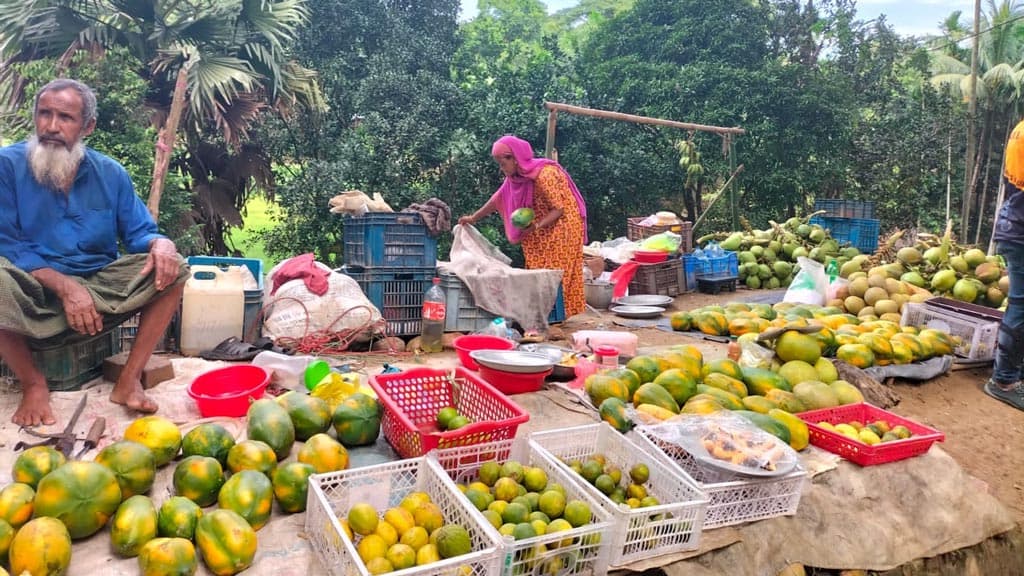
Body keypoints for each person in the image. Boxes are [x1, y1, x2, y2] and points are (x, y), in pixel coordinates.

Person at [0, 78, 188, 426]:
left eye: (65, 118)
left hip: (96, 288)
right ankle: (33, 383)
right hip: (28, 286)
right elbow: (7, 242)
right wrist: (66, 287)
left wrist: (161, 243)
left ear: (88, 126)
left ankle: (128, 380)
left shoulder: (110, 174)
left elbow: (140, 233)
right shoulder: (7, 165)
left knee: (173, 269)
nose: (52, 127)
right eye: (44, 114)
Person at [459, 135, 588, 323]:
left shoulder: (545, 174)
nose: (502, 169)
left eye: (503, 164)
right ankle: (543, 315)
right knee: (536, 272)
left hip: (562, 226)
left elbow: (559, 209)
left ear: (514, 158)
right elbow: (498, 199)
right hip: (538, 227)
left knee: (555, 272)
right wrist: (473, 218)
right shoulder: (516, 177)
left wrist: (536, 226)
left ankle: (555, 317)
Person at [988, 118, 1024, 411]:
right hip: (1020, 233)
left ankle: (1012, 374)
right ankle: (1003, 381)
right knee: (1021, 306)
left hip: (1014, 227)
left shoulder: (1020, 128)